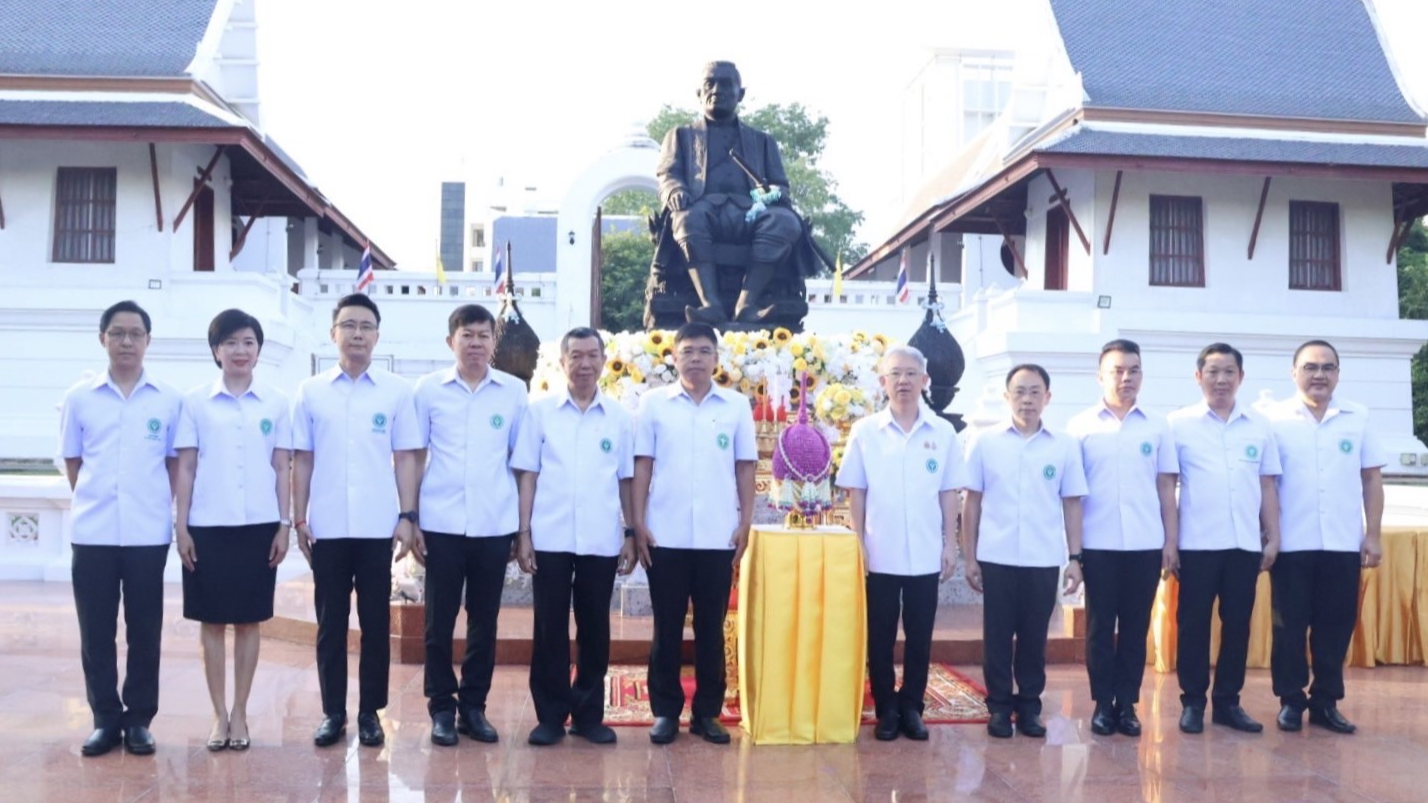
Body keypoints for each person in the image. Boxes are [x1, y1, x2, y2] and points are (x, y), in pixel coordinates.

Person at [292, 293, 422, 749]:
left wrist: (408, 516)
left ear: (377, 335)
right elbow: (302, 459)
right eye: (349, 325)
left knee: (374, 624)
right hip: (326, 525)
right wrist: (298, 517)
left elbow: (405, 457)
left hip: (375, 527)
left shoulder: (395, 391)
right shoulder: (310, 392)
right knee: (330, 623)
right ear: (334, 334)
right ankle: (333, 712)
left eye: (366, 326)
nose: (358, 334)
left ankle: (370, 712)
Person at [60, 300, 183, 757]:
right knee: (95, 630)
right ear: (103, 340)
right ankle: (104, 719)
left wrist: (152, 503)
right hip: (92, 533)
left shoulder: (167, 399)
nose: (126, 341)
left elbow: (175, 465)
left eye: (135, 333)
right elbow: (73, 461)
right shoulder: (80, 398)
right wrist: (96, 498)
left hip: (148, 533)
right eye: (118, 333)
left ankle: (139, 720)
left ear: (148, 341)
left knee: (144, 628)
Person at [513, 326, 638, 747]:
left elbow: (625, 480)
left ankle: (588, 715)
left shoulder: (620, 417)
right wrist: (524, 532)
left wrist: (630, 532)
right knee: (548, 628)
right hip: (548, 536)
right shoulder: (541, 412)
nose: (584, 364)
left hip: (601, 539)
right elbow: (527, 475)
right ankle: (549, 715)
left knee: (594, 629)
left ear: (603, 361)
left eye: (592, 356)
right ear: (562, 362)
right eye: (576, 356)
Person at [632, 321, 757, 744]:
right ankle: (665, 711)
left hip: (716, 535)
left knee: (710, 628)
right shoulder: (653, 404)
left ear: (717, 359)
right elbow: (642, 466)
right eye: (688, 351)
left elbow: (745, 467)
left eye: (705, 351)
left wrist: (745, 522)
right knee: (666, 627)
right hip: (663, 535)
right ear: (674, 356)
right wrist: (637, 523)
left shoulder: (736, 406)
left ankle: (707, 712)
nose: (697, 359)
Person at [173, 309, 292, 752]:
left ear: (258, 350)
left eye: (248, 342)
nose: (240, 351)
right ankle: (217, 713)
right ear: (215, 351)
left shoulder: (277, 402)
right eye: (230, 343)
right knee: (211, 621)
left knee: (248, 620)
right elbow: (185, 467)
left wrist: (284, 525)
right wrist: (180, 526)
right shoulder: (196, 402)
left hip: (259, 524)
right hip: (207, 524)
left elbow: (282, 467)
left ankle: (240, 711)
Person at [835, 345, 965, 742]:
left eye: (911, 373)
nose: (904, 381)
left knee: (920, 634)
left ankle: (912, 706)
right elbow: (855, 491)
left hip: (926, 552)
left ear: (925, 381)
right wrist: (857, 540)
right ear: (883, 382)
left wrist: (951, 544)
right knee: (881, 635)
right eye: (896, 374)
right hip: (880, 551)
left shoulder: (942, 432)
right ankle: (886, 708)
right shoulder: (865, 431)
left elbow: (948, 493)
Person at [414, 303, 528, 746]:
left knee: (485, 620)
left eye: (484, 335)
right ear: (451, 342)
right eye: (468, 335)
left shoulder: (513, 392)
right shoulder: (427, 391)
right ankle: (441, 707)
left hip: (494, 524)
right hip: (441, 523)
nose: (476, 343)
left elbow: (522, 466)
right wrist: (411, 519)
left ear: (492, 342)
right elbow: (412, 457)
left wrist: (522, 530)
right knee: (438, 621)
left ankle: (473, 707)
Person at [1261, 340, 1386, 734]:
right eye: (1311, 367)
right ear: (1293, 372)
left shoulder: (1358, 416)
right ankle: (1291, 701)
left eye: (1328, 368)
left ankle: (1326, 701)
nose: (1319, 375)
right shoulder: (1272, 419)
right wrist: (1269, 535)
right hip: (1292, 542)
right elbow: (1264, 483)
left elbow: (1371, 479)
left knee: (1335, 625)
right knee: (1289, 626)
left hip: (1341, 542)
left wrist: (1374, 534)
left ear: (1338, 374)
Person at [962, 364, 1087, 739]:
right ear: (1007, 397)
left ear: (1047, 397)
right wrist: (970, 557)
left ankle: (1030, 707)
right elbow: (971, 503)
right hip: (996, 557)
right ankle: (999, 707)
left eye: (1035, 392)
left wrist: (1075, 559)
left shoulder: (1064, 445)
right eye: (1019, 392)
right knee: (997, 636)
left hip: (1042, 557)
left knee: (1034, 637)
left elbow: (1072, 504)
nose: (1027, 399)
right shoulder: (985, 442)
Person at [1065, 340, 1179, 737]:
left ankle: (1127, 704)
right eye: (1117, 370)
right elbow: (1072, 498)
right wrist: (1074, 554)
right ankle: (1101, 704)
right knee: (1098, 627)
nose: (1125, 377)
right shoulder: (1080, 427)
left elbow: (1167, 488)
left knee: (1135, 627)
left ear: (1142, 376)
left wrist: (1170, 542)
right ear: (1100, 376)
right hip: (1097, 545)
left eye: (1133, 370)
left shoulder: (1157, 425)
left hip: (1146, 543)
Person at [1167, 342, 1281, 735]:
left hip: (1244, 546)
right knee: (1193, 624)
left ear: (1241, 377)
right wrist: (1171, 542)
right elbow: (1167, 488)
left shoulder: (1259, 425)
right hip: (1196, 544)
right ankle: (1193, 702)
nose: (1221, 379)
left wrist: (1273, 537)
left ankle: (1228, 702)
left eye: (1229, 371)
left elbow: (1267, 486)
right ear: (1198, 376)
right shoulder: (1178, 425)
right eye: (1212, 371)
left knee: (1238, 625)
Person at [656, 61, 803, 324]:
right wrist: (676, 190)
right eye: (709, 84)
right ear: (699, 94)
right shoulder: (680, 136)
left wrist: (772, 192)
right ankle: (709, 303)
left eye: (726, 84)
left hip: (750, 213)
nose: (717, 90)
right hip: (702, 211)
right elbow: (668, 174)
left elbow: (782, 185)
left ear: (741, 93)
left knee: (785, 221)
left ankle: (747, 305)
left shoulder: (762, 141)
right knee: (686, 218)